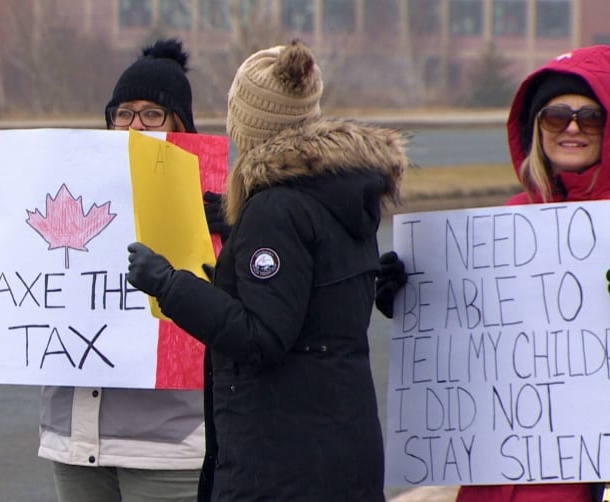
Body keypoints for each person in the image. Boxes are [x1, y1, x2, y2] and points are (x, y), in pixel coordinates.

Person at [0, 38, 229, 502]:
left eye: (152, 114)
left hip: (165, 445)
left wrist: (229, 238)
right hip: (71, 441)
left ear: (180, 124)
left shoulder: (215, 199)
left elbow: (237, 314)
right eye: (124, 112)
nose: (135, 125)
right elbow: (17, 264)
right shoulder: (66, 178)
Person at [126, 40, 412, 501]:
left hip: (279, 461)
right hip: (341, 449)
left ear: (247, 122)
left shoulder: (276, 208)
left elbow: (261, 336)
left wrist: (167, 284)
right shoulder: (342, 191)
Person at [375, 44, 610, 502]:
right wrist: (411, 302)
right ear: (536, 127)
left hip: (577, 476)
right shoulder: (510, 218)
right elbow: (474, 335)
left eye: (591, 117)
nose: (573, 129)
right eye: (556, 117)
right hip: (492, 471)